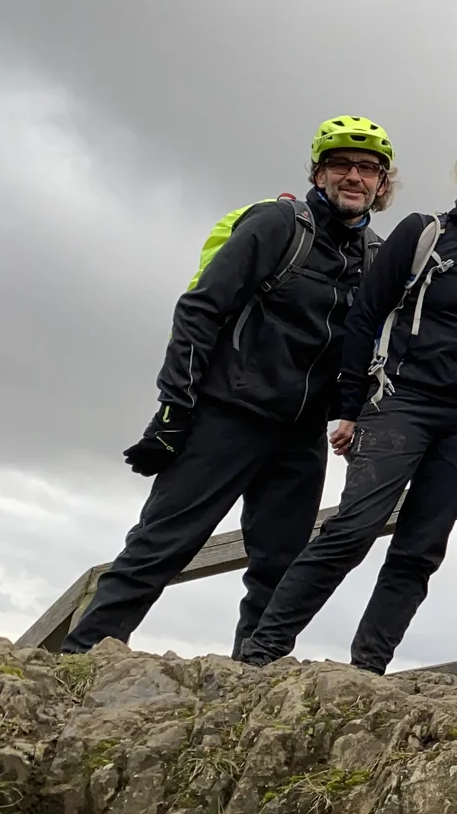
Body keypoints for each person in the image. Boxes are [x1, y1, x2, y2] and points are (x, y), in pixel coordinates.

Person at [63, 116, 394, 658]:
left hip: (300, 435)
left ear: (383, 183)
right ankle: (76, 667)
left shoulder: (377, 257)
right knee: (159, 547)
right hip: (228, 416)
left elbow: (372, 348)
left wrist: (355, 412)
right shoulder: (276, 224)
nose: (353, 176)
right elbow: (200, 309)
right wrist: (175, 405)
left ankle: (250, 684)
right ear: (318, 171)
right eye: (341, 164)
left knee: (279, 570)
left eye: (368, 168)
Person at [239, 125, 457, 674]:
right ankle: (261, 654)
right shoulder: (421, 232)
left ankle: (368, 669)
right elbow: (365, 317)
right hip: (402, 402)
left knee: (421, 550)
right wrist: (350, 406)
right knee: (352, 529)